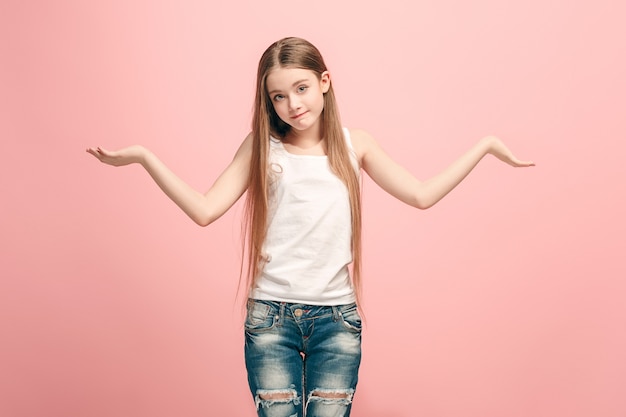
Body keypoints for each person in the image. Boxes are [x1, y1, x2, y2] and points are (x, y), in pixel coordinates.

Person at [86, 36, 534, 417]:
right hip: (271, 318)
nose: (292, 104)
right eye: (278, 96)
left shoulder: (353, 144)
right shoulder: (263, 147)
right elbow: (205, 210)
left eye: (300, 88)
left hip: (337, 321)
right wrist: (145, 158)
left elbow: (421, 195)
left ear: (324, 82)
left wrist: (485, 147)